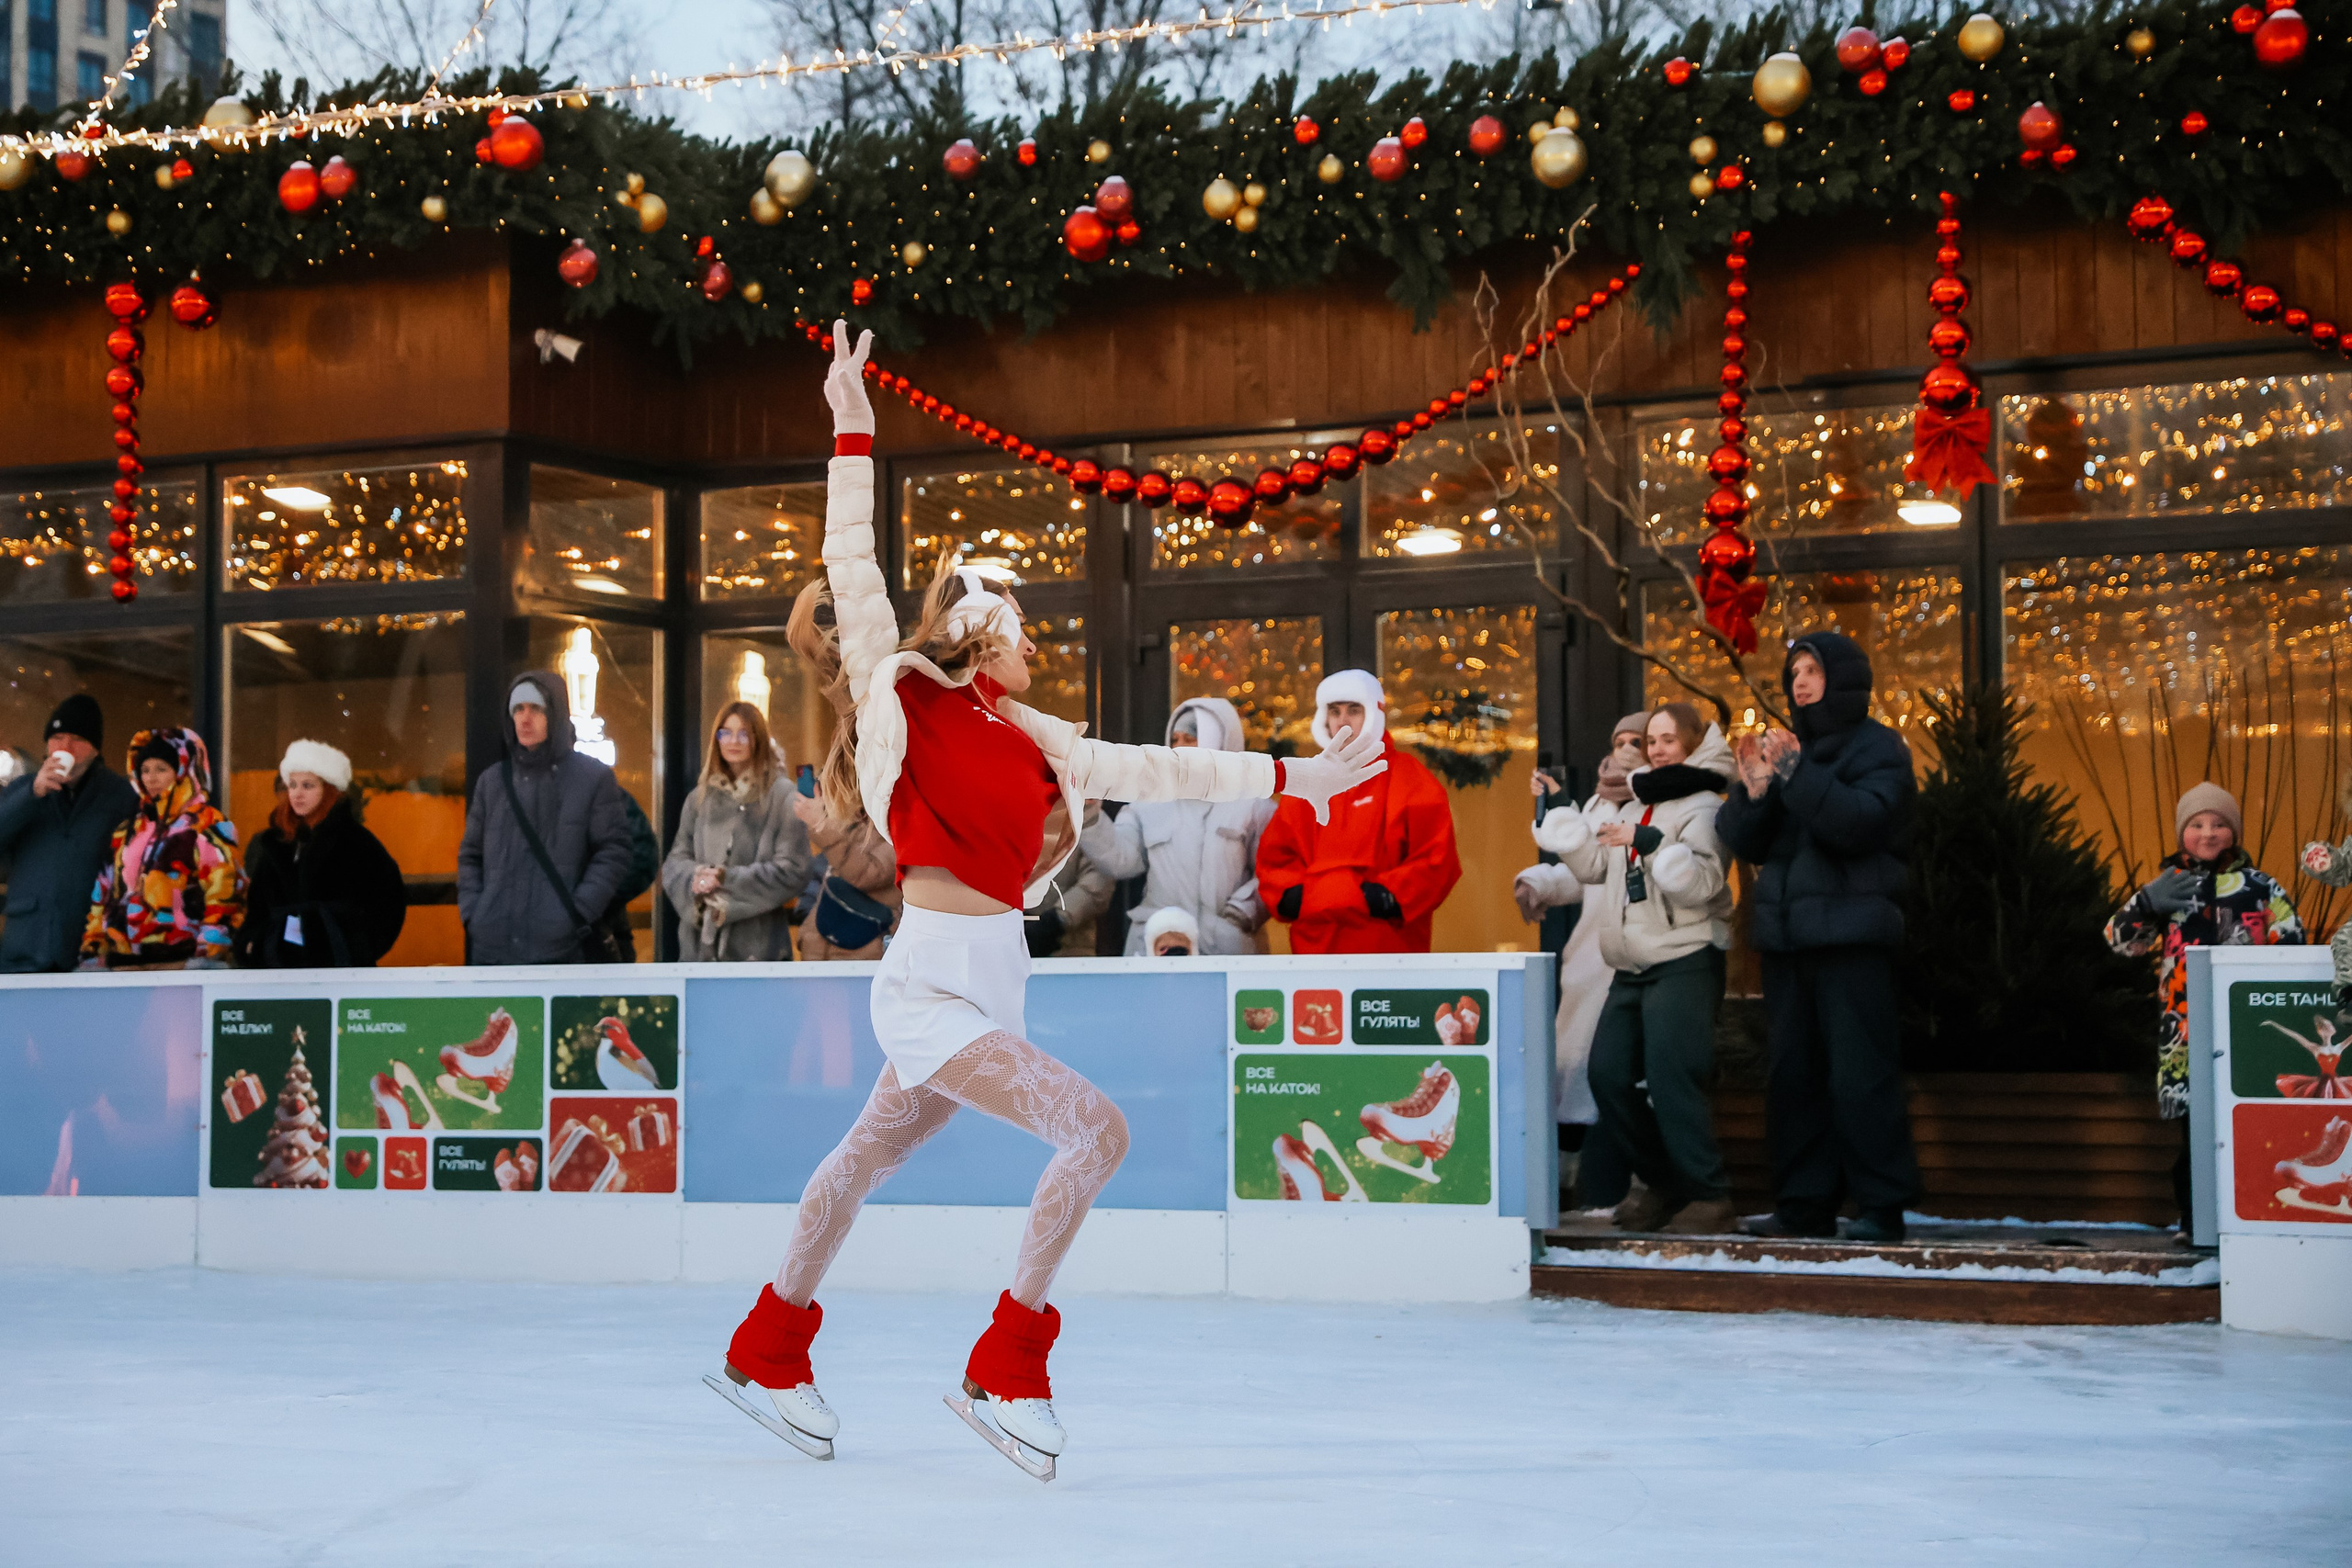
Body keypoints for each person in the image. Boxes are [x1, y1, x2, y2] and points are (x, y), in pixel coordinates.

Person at [707, 322, 1385, 1476]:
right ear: (979, 628)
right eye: (1021, 625)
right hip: (927, 981)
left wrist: (1298, 777)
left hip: (990, 983)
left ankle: (766, 1345)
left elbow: (1163, 769)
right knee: (1096, 1130)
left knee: (864, 1156)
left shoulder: (1033, 738)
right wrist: (853, 425)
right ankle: (1004, 1366)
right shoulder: (905, 695)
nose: (1037, 642)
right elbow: (855, 563)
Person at [1716, 632, 1923, 1244]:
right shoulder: (1790, 751)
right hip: (1788, 940)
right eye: (1794, 671)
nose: (1800, 681)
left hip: (1853, 939)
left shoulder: (1879, 747)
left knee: (1861, 1073)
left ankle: (1882, 1206)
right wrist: (1753, 791)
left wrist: (1796, 774)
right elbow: (1746, 840)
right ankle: (1803, 1203)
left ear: (1844, 676)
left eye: (1812, 669)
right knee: (1793, 1076)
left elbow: (1858, 823)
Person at [1538, 705, 1736, 1233]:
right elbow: (1598, 869)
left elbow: (1701, 883)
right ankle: (1663, 1184)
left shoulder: (1704, 806)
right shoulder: (1633, 804)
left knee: (1673, 1080)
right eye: (1653, 739)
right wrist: (1571, 834)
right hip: (1631, 963)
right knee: (1607, 1075)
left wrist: (1651, 845)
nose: (1658, 748)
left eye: (1670, 739)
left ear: (1693, 744)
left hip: (1686, 957)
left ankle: (1709, 1195)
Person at [2112, 782, 2303, 1230]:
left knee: (2249, 1119)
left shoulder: (2260, 886)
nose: (2208, 832)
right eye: (2197, 824)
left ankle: (2253, 1215)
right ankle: (2195, 1220)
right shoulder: (2168, 886)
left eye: (2219, 824)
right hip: (2186, 1029)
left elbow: (2291, 942)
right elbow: (2122, 944)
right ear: (2183, 834)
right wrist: (2145, 904)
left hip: (2249, 1024)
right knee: (2195, 1128)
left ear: (2233, 833)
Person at [1516, 712, 1647, 1210]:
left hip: (1638, 960)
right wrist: (1539, 882)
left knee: (1624, 1076)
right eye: (1621, 739)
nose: (1629, 748)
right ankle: (1567, 1186)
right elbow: (1584, 868)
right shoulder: (1597, 803)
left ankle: (1631, 1187)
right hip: (1588, 958)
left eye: (1642, 740)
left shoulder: (1658, 804)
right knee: (1570, 1070)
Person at [1255, 670, 1461, 954]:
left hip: (1389, 950)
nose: (1342, 720)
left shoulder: (1411, 781)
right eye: (1334, 710)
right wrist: (1295, 898)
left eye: (1354, 710)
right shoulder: (1302, 786)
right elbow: (1274, 861)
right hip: (1315, 953)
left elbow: (1436, 861)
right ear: (1323, 717)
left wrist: (1383, 898)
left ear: (1374, 713)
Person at [458, 670, 634, 964]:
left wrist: (577, 913)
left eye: (536, 709)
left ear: (555, 714)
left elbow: (615, 851)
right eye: (518, 709)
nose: (525, 719)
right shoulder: (492, 782)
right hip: (494, 950)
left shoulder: (592, 778)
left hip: (563, 952)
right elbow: (470, 856)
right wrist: (476, 915)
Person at [1080, 697, 1277, 955]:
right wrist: (1089, 813)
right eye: (1175, 739)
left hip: (1227, 950)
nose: (1180, 748)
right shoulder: (1150, 798)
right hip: (1157, 945)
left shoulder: (1253, 803)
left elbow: (1273, 871)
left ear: (1219, 740)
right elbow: (1121, 860)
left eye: (1191, 738)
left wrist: (1241, 913)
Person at [785, 580, 903, 962]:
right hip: (827, 954)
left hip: (870, 956)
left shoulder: (901, 798)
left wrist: (823, 827)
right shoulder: (854, 789)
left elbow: (869, 873)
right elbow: (826, 871)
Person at [79, 726, 243, 970]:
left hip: (180, 963)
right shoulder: (128, 830)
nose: (151, 778)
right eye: (144, 770)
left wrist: (207, 954)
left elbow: (224, 892)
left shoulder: (207, 824)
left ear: (182, 771)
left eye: (161, 769)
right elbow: (103, 893)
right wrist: (94, 946)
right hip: (125, 964)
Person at [234, 740, 408, 967]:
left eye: (308, 786)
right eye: (292, 785)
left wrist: (353, 947)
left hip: (339, 975)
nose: (297, 794)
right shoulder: (276, 843)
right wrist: (253, 944)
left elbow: (388, 904)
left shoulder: (357, 843)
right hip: (279, 974)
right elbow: (257, 909)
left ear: (329, 789)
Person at [662, 703, 813, 962]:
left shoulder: (782, 796)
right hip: (698, 950)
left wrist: (726, 879)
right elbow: (675, 861)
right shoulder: (700, 797)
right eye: (726, 733)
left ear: (758, 739)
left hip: (758, 948)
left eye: (743, 734)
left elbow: (794, 869)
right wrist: (696, 878)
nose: (733, 741)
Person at [0, 696, 140, 973]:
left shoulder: (120, 796)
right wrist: (32, 794)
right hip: (25, 947)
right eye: (57, 737)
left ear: (94, 748)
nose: (64, 747)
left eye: (76, 738)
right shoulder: (24, 789)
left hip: (90, 947)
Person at [1023, 815, 1116, 956]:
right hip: (1005, 936)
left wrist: (1056, 920)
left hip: (1069, 942)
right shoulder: (1000, 811)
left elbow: (1098, 879)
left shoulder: (1084, 810)